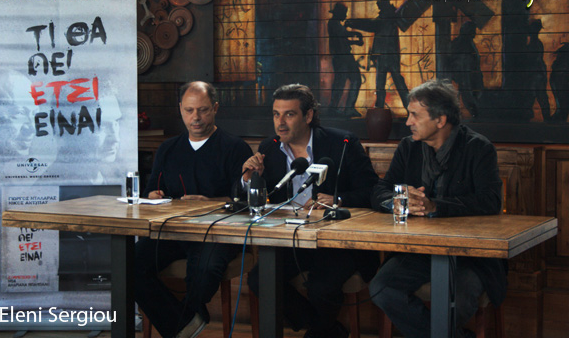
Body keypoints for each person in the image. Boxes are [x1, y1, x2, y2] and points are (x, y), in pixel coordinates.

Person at [369, 79, 507, 338]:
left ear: (441, 120)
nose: (408, 122)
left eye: (414, 115)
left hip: (469, 255)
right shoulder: (408, 147)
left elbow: (490, 201)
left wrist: (435, 206)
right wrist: (400, 199)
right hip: (417, 250)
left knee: (456, 301)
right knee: (381, 288)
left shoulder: (478, 148)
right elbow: (380, 191)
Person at [244, 84, 379, 338]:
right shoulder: (269, 148)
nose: (280, 123)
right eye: (276, 114)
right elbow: (256, 200)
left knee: (321, 286)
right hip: (290, 240)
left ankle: (321, 330)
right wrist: (251, 179)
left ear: (308, 116)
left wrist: (338, 200)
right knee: (259, 280)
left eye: (289, 114)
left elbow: (373, 190)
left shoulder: (342, 143)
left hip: (336, 242)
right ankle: (324, 328)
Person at [134, 81, 252, 338]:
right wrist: (153, 195)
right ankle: (183, 324)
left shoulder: (235, 148)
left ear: (215, 108)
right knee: (129, 263)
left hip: (218, 233)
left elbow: (244, 201)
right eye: (189, 110)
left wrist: (209, 202)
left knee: (205, 270)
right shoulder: (168, 149)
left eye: (203, 110)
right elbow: (152, 190)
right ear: (180, 109)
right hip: (173, 231)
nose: (195, 117)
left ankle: (184, 321)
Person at [346, 0, 409, 109]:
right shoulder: (390, 15)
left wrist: (354, 22)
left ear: (384, 2)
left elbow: (373, 25)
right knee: (392, 82)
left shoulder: (387, 16)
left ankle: (381, 108)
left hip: (386, 55)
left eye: (379, 1)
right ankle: (400, 107)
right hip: (387, 55)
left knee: (384, 83)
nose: (377, 3)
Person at [327, 2, 364, 117]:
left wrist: (355, 42)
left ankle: (346, 108)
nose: (345, 16)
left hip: (344, 56)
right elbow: (343, 34)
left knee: (351, 80)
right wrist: (357, 33)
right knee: (342, 82)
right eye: (344, 13)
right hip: (341, 57)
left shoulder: (336, 24)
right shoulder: (333, 23)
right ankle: (337, 108)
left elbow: (343, 40)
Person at [449, 21, 483, 118]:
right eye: (473, 30)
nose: (475, 33)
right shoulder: (462, 43)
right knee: (468, 93)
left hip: (471, 74)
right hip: (466, 75)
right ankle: (474, 112)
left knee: (473, 93)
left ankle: (474, 112)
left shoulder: (467, 43)